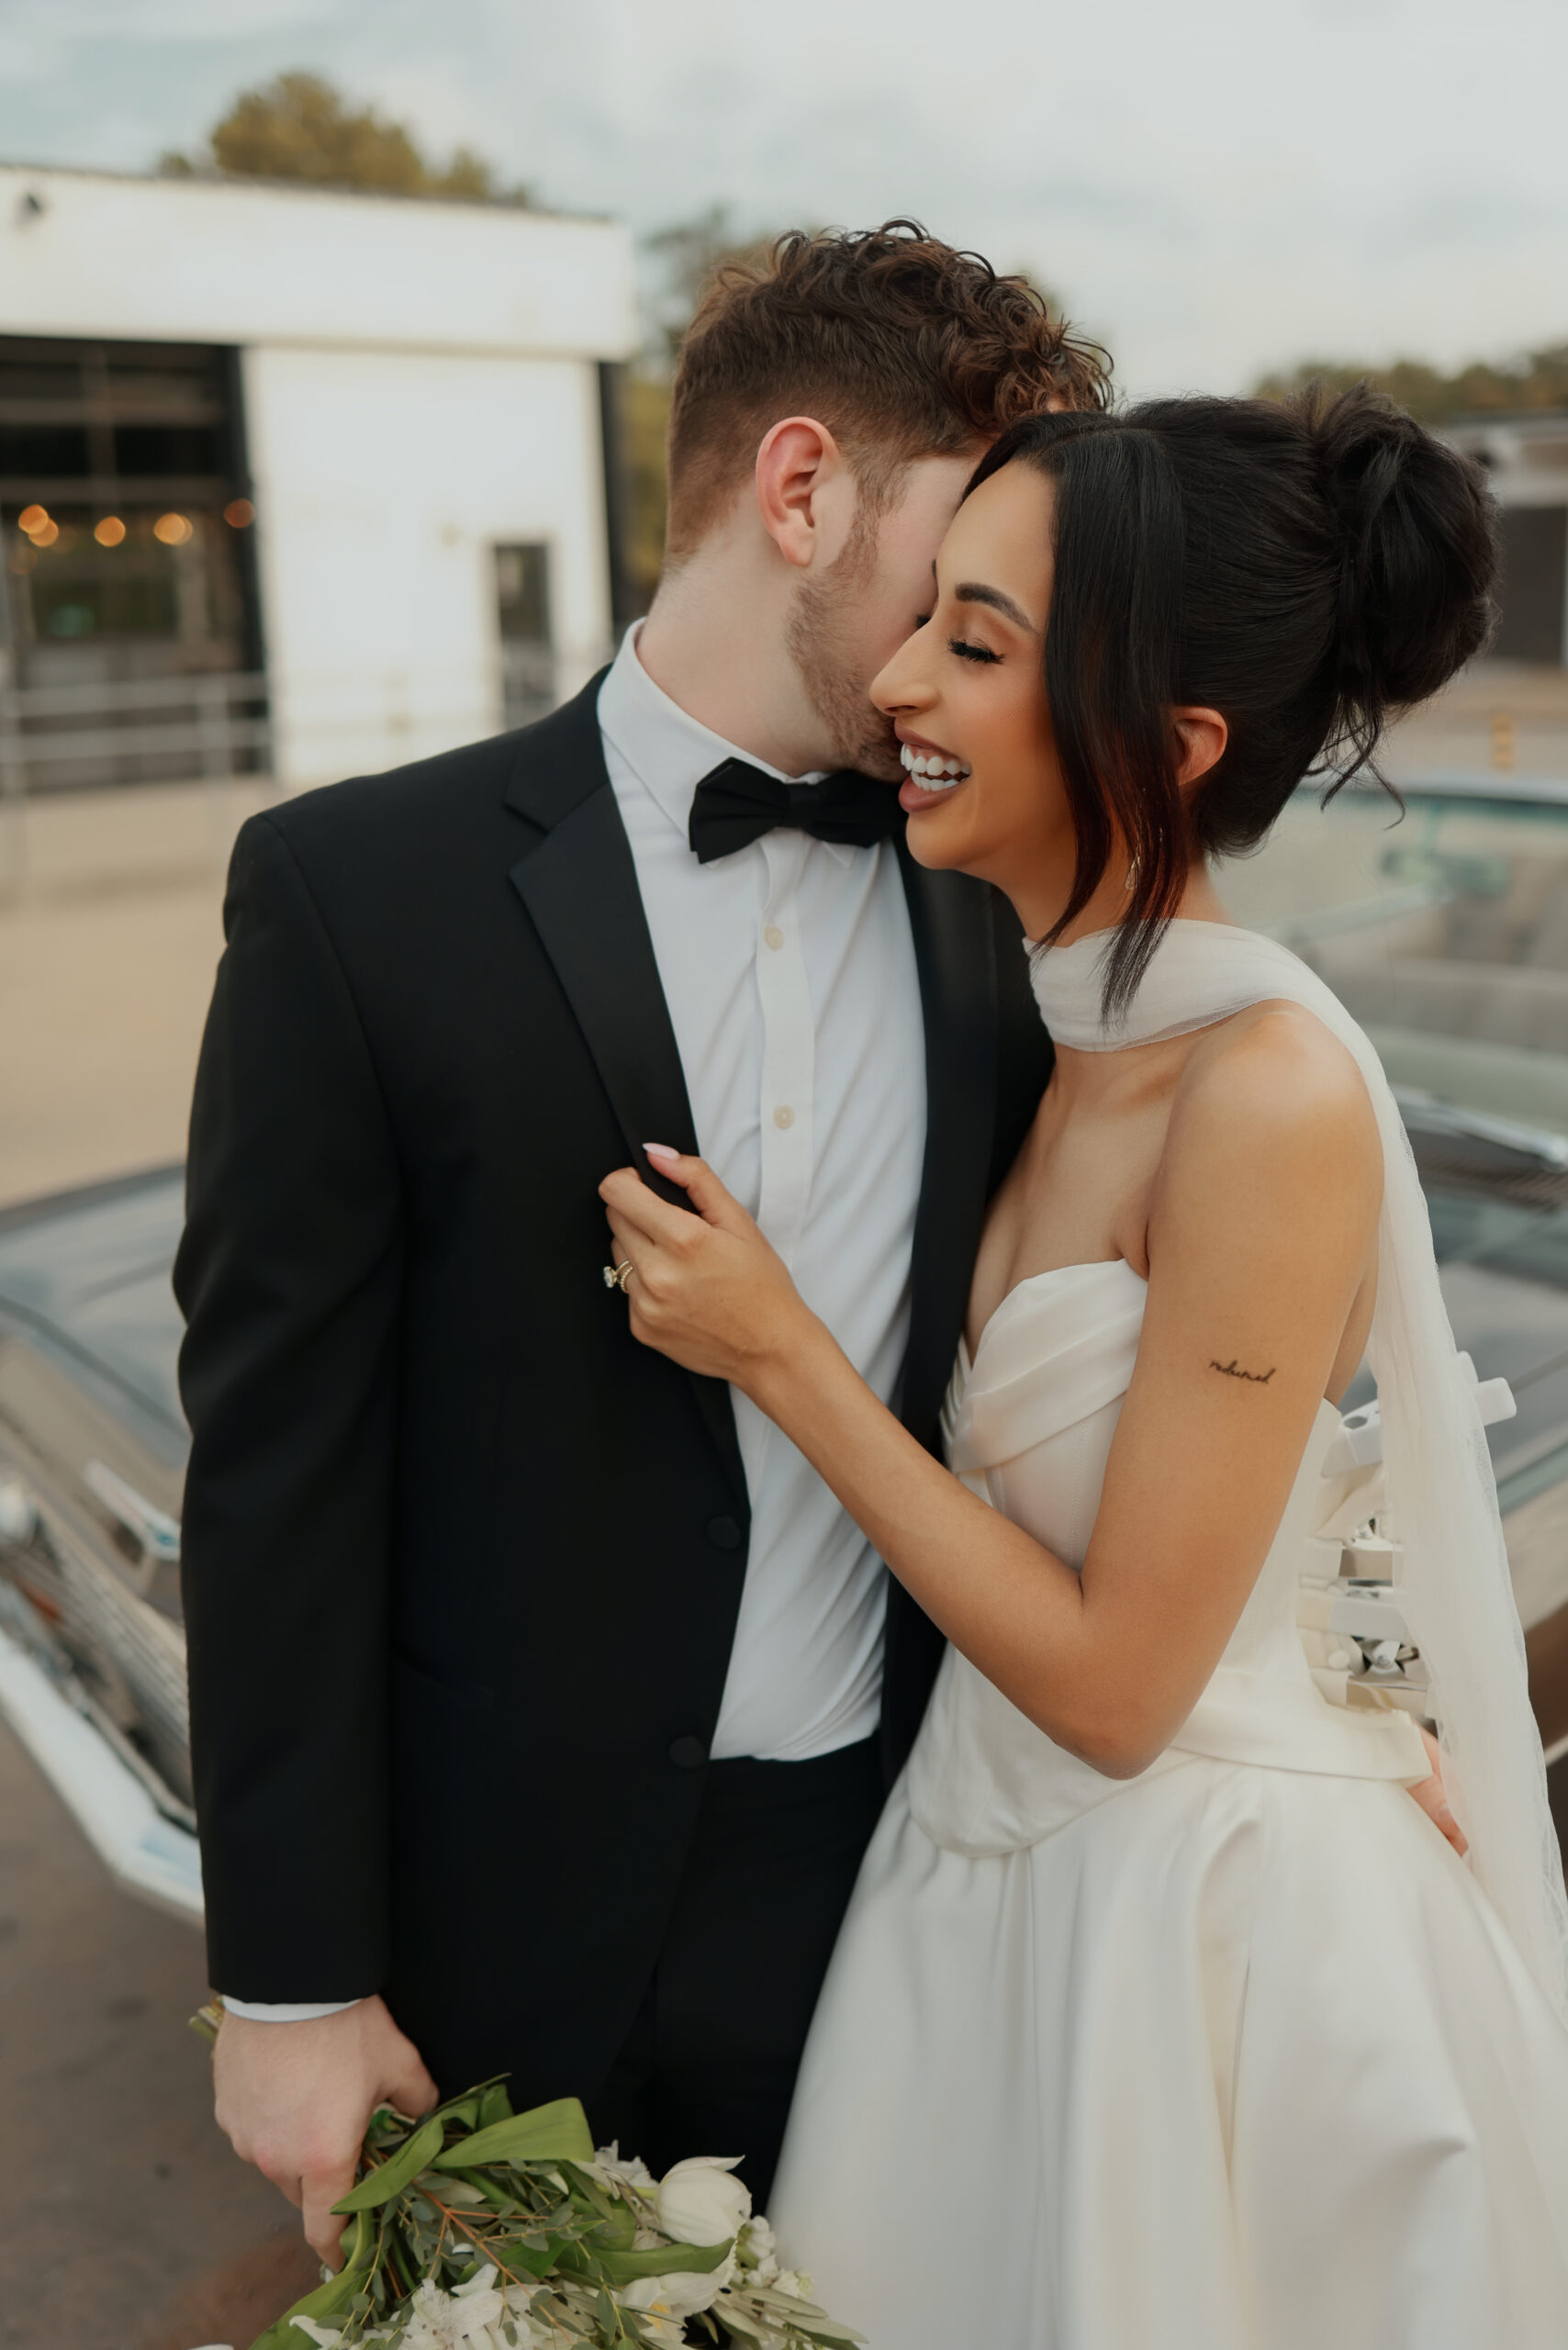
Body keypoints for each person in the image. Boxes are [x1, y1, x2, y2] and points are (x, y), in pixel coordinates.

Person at [173, 222, 1108, 2262]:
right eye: (966, 565)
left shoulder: (1011, 894)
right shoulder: (353, 890)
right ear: (799, 490)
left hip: (887, 1884)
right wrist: (291, 1975)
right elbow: (274, 1469)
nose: (1000, 630)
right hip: (478, 1916)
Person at [599, 388, 1568, 2347]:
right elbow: (1302, 1491)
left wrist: (781, 1352)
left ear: (1167, 738)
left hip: (1204, 1930)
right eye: (922, 619)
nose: (892, 680)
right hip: (973, 1874)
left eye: (974, 641)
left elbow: (1128, 1687)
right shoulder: (1056, 1024)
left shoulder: (1264, 1086)